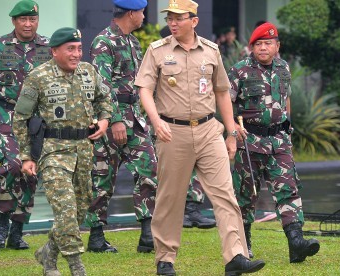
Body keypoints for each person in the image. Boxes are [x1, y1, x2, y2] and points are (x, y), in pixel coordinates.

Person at [135, 0, 266, 275]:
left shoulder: (211, 50)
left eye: (178, 18)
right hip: (173, 132)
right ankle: (165, 260)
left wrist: (231, 132)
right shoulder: (157, 51)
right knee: (170, 199)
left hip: (209, 130)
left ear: (193, 21)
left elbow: (222, 92)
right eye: (170, 18)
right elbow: (145, 89)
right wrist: (156, 121)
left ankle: (236, 257)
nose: (172, 23)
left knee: (225, 194)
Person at [12, 27, 113, 276]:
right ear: (55, 51)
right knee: (66, 209)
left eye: (79, 48)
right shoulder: (38, 77)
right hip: (53, 152)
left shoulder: (88, 71)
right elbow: (20, 118)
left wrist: (104, 120)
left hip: (84, 151)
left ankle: (48, 253)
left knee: (78, 211)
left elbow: (104, 98)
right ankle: (77, 267)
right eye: (70, 49)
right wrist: (27, 156)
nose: (77, 54)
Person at [228, 22, 320, 263]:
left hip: (279, 140)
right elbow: (225, 101)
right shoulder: (240, 70)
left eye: (268, 43)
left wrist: (287, 128)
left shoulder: (283, 68)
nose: (263, 48)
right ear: (252, 47)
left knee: (288, 189)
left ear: (277, 46)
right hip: (250, 140)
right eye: (258, 44)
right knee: (245, 194)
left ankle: (296, 242)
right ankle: (243, 244)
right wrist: (232, 128)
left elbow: (285, 99)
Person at [0, 0, 51, 250]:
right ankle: (2, 221)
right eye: (23, 19)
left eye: (32, 19)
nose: (28, 24)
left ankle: (17, 230)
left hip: (37, 119)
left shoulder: (48, 47)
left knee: (30, 171)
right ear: (14, 21)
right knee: (13, 164)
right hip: (6, 114)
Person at [84, 0, 158, 254]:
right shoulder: (103, 42)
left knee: (149, 169)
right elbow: (101, 86)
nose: (143, 16)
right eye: (141, 12)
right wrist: (114, 118)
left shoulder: (133, 42)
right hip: (109, 120)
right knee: (102, 177)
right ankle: (96, 236)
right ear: (130, 13)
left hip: (135, 119)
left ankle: (148, 234)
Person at [159, 24, 216, 229]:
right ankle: (178, 212)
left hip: (195, 124)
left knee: (195, 168)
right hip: (167, 123)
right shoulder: (158, 56)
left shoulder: (199, 57)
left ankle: (192, 209)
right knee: (172, 173)